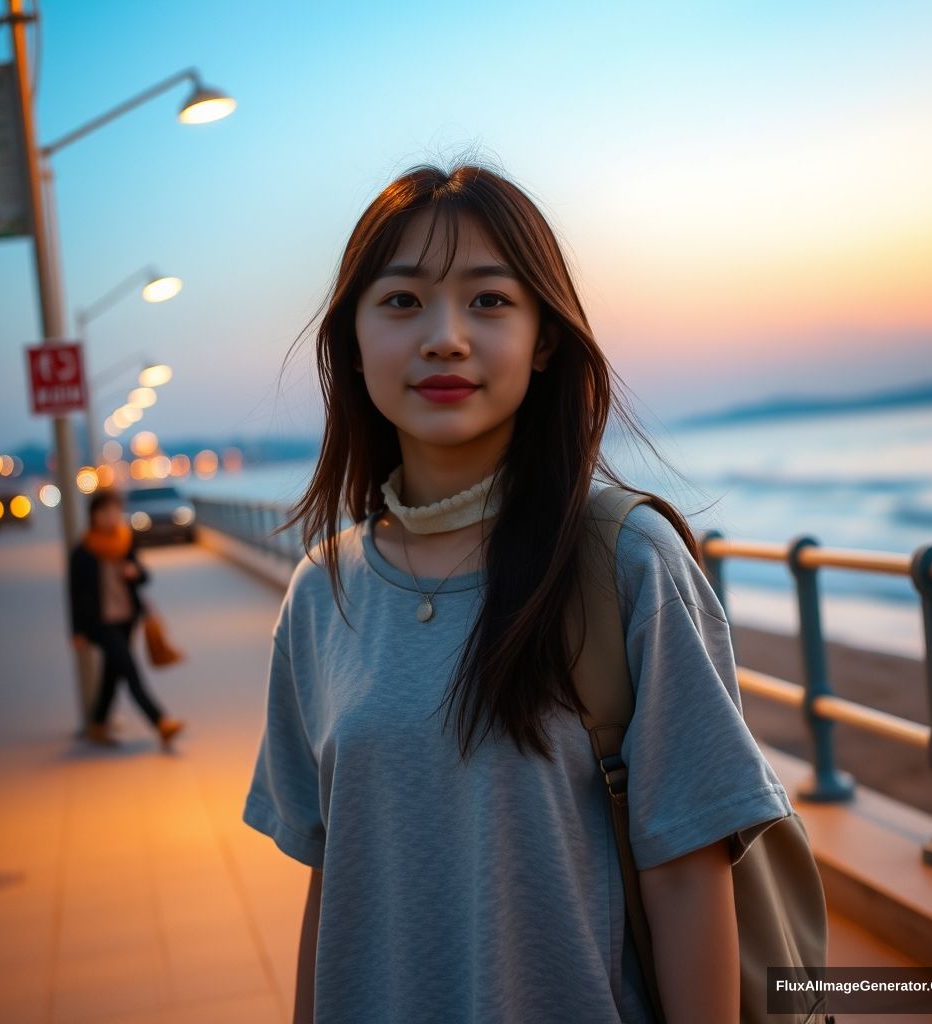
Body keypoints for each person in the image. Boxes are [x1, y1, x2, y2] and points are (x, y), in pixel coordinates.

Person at [241, 161, 795, 1024]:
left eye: (489, 300)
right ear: (351, 340)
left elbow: (690, 875)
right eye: (400, 301)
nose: (445, 337)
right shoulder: (324, 592)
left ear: (543, 341)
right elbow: (332, 881)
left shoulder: (624, 561)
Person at [69, 488, 185, 749]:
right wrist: (76, 631)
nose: (111, 516)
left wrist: (135, 572)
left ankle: (97, 724)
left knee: (113, 673)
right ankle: (161, 722)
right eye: (105, 512)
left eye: (114, 510)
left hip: (127, 618)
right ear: (93, 515)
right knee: (131, 672)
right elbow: (75, 595)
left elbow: (145, 576)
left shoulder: (124, 541)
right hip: (100, 623)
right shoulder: (83, 552)